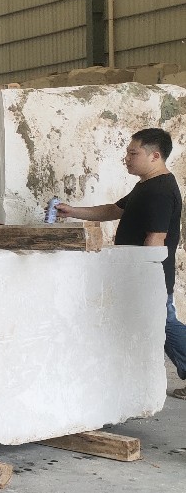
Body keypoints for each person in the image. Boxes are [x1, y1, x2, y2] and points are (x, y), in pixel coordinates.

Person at [57, 127, 186, 397]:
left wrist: (142, 281)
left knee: (166, 325)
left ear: (155, 156)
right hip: (142, 275)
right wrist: (72, 211)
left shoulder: (160, 191)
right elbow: (114, 210)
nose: (126, 158)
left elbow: (156, 239)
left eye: (133, 153)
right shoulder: (146, 185)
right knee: (162, 324)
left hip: (150, 277)